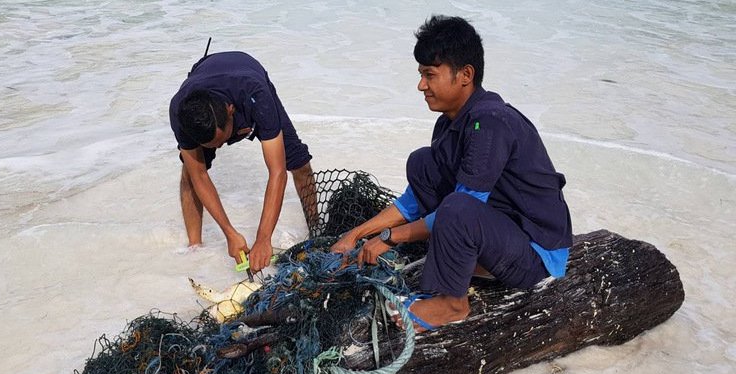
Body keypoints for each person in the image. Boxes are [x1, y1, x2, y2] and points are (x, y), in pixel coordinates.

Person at [331, 16, 572, 332]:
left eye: (430, 75)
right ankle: (471, 263)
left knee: (457, 208)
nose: (421, 86)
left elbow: (459, 209)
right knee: (422, 163)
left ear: (465, 75)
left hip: (537, 255)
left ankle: (452, 305)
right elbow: (412, 202)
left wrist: (390, 238)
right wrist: (358, 234)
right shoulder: (450, 122)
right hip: (504, 229)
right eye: (420, 75)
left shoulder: (489, 123)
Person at [169, 51, 316, 273]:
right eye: (211, 146)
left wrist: (263, 239)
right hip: (203, 82)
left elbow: (277, 172)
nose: (219, 148)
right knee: (190, 173)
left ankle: (316, 230)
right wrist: (229, 233)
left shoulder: (256, 96)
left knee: (299, 164)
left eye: (221, 140)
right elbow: (199, 176)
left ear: (231, 112)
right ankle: (194, 247)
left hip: (249, 75)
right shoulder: (181, 112)